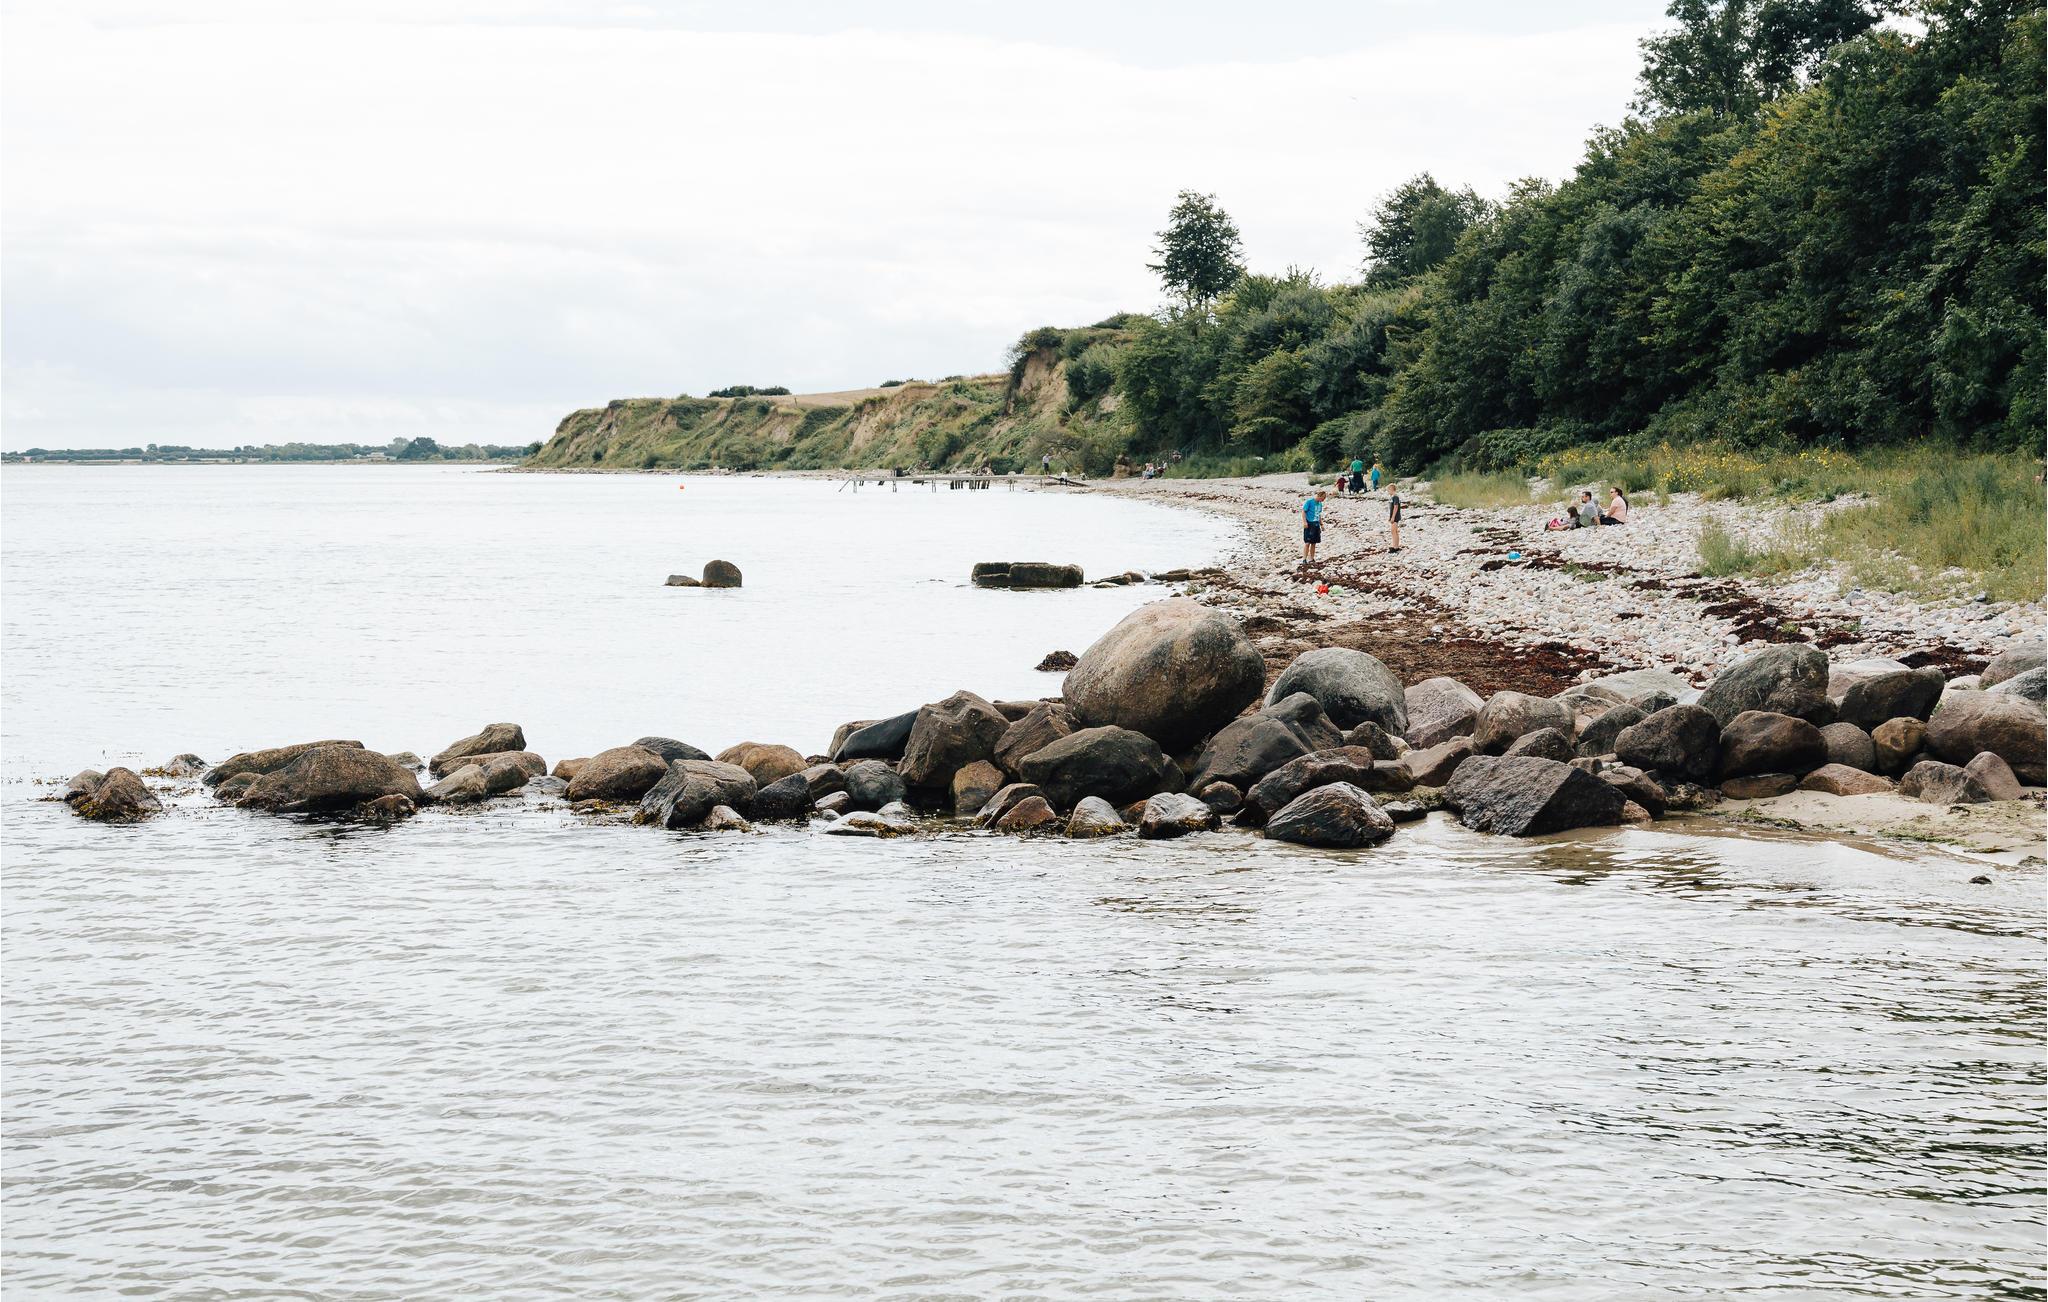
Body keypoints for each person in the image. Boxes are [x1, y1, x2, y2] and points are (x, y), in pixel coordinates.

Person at [1302, 489, 1326, 565]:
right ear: (1319, 496)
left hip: (1316, 524)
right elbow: (1303, 511)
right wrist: (1305, 522)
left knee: (1314, 543)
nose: (1323, 500)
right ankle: (1304, 559)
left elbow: (1319, 515)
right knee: (1307, 542)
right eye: (1323, 498)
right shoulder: (1309, 502)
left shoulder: (1320, 504)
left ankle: (1311, 559)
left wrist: (1321, 524)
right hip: (1309, 524)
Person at [1386, 488, 1403, 552]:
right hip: (1394, 516)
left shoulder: (1395, 497)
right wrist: (1390, 517)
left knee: (1393, 531)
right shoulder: (1394, 497)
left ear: (1392, 489)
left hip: (1395, 517)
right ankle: (1395, 546)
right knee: (1395, 531)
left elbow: (1396, 507)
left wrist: (1393, 517)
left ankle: (1395, 547)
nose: (1388, 492)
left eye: (1388, 490)